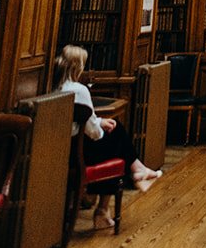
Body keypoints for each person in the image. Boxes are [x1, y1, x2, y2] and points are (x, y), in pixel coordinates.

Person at [54, 44, 162, 230]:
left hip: (61, 150)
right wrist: (100, 124)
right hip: (80, 153)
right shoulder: (79, 90)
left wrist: (99, 121)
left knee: (113, 132)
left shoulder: (52, 87)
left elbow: (83, 123)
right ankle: (107, 205)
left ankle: (137, 172)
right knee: (116, 136)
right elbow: (94, 134)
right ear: (77, 67)